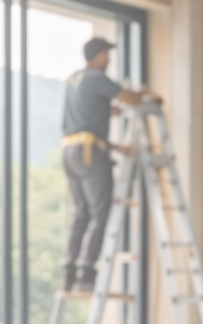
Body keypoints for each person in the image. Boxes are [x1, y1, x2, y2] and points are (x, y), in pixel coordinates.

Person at [60, 37, 158, 295]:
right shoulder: (97, 78)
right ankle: (86, 273)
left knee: (81, 213)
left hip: (70, 151)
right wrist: (145, 93)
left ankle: (69, 272)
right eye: (107, 55)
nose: (110, 60)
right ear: (101, 54)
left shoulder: (73, 80)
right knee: (101, 212)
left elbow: (92, 117)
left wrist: (113, 147)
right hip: (89, 152)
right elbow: (129, 99)